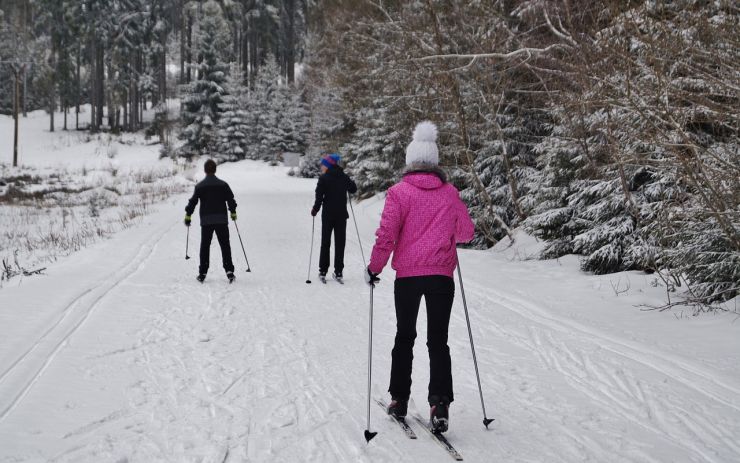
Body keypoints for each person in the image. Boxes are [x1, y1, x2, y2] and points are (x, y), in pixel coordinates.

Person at [365, 121, 475, 433]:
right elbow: (467, 232)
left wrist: (374, 268)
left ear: (411, 162)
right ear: (435, 162)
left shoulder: (398, 193)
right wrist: (449, 230)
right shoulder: (450, 193)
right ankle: (439, 403)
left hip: (408, 278)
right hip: (441, 276)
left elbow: (387, 235)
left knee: (405, 336)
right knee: (438, 340)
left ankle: (399, 399)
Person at [185, 159, 238, 283]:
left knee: (205, 246)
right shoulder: (223, 185)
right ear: (215, 170)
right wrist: (233, 212)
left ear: (205, 170)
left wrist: (188, 215)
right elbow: (230, 199)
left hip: (206, 221)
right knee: (225, 245)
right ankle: (229, 271)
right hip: (221, 220)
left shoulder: (200, 186)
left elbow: (193, 202)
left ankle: (202, 273)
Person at [311, 153, 357, 283]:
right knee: (340, 243)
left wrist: (315, 209)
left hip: (328, 216)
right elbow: (353, 189)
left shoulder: (324, 179)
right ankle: (338, 272)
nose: (321, 167)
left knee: (326, 242)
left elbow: (319, 196)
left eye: (323, 165)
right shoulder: (343, 177)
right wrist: (349, 182)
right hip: (341, 216)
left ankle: (323, 271)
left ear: (328, 165)